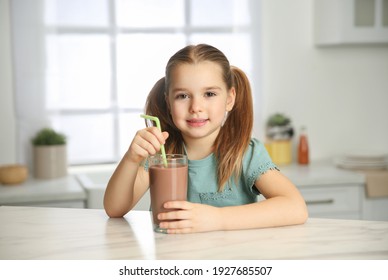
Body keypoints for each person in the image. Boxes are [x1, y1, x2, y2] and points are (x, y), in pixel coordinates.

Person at [104, 44, 308, 234]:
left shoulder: (246, 154)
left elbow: (295, 207)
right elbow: (115, 209)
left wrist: (218, 218)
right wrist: (131, 159)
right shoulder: (160, 154)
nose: (196, 107)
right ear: (168, 101)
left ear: (229, 99)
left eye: (209, 94)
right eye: (183, 96)